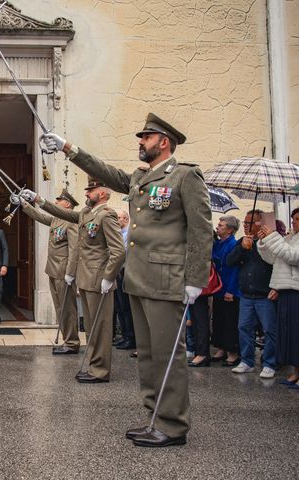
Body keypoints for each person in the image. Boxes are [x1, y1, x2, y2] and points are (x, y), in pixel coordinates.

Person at [40, 112, 213, 447]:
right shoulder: (139, 178)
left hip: (166, 280)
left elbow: (201, 230)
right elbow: (107, 172)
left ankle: (173, 425)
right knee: (147, 355)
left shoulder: (184, 177)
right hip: (138, 279)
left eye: (145, 137)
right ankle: (155, 416)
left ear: (163, 142)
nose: (140, 142)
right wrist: (68, 148)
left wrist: (196, 278)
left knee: (167, 355)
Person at [28, 179, 126, 380]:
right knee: (91, 326)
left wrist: (109, 277)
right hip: (86, 277)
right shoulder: (86, 214)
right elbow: (61, 214)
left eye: (92, 190)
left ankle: (100, 370)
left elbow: (118, 251)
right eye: (87, 190)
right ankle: (93, 365)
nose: (87, 193)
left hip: (99, 279)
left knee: (100, 326)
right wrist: (36, 200)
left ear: (103, 193)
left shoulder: (107, 215)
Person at [21, 189, 79, 354]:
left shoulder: (71, 222)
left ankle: (72, 342)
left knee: (67, 308)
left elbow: (75, 249)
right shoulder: (57, 219)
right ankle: (67, 339)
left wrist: (71, 272)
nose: (56, 201)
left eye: (59, 200)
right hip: (52, 269)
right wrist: (24, 204)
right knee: (60, 307)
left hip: (63, 271)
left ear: (67, 204)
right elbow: (40, 217)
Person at [226, 210, 276, 378]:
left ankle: (269, 363)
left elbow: (277, 264)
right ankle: (247, 361)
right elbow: (229, 261)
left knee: (269, 330)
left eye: (250, 223)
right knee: (244, 329)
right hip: (247, 294)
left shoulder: (269, 241)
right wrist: (241, 248)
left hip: (265, 294)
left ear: (260, 224)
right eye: (245, 222)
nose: (246, 225)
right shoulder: (243, 241)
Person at [257, 207, 299, 386]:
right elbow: (274, 258)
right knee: (289, 333)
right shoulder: (289, 238)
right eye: (294, 218)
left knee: (297, 333)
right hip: (285, 290)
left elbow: (293, 257)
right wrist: (264, 241)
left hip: (296, 290)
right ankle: (296, 371)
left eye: (298, 218)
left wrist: (273, 236)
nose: (294, 221)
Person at [211, 215, 241, 366]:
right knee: (219, 319)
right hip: (218, 287)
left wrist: (231, 290)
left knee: (230, 321)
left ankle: (232, 351)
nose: (218, 227)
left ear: (230, 230)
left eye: (221, 225)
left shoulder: (233, 245)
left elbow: (235, 269)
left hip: (228, 288)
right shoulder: (218, 243)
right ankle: (221, 347)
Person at [113, 209, 135, 351]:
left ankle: (131, 338)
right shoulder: (118, 234)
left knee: (126, 308)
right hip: (118, 274)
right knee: (120, 307)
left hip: (126, 273)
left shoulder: (129, 235)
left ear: (125, 219)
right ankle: (125, 336)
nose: (116, 220)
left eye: (118, 218)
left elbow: (124, 253)